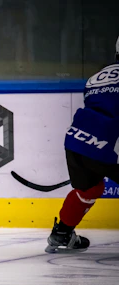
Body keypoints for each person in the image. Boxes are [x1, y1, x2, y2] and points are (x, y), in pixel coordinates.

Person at [46, 36, 119, 253]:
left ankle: (62, 232)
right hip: (110, 144)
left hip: (77, 141)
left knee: (89, 188)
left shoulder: (97, 76)